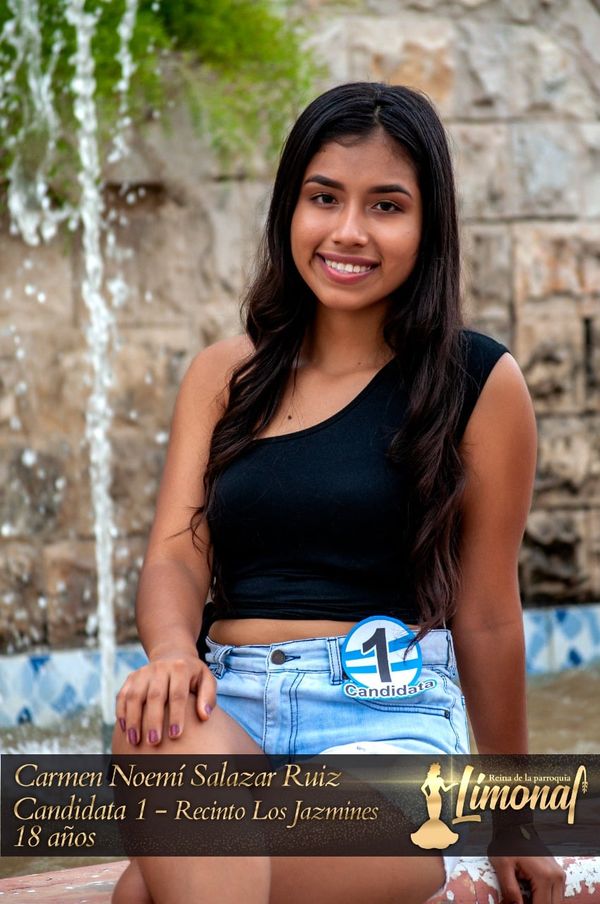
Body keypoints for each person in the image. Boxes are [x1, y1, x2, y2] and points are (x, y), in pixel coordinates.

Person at [111, 82, 566, 904]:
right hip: (228, 706)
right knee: (156, 730)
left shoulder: (476, 382)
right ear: (291, 207)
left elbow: (489, 614)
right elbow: (176, 559)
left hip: (390, 726)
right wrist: (174, 654)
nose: (348, 231)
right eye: (324, 198)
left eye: (386, 206)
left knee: (150, 889)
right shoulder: (225, 375)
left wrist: (513, 814)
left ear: (429, 226)